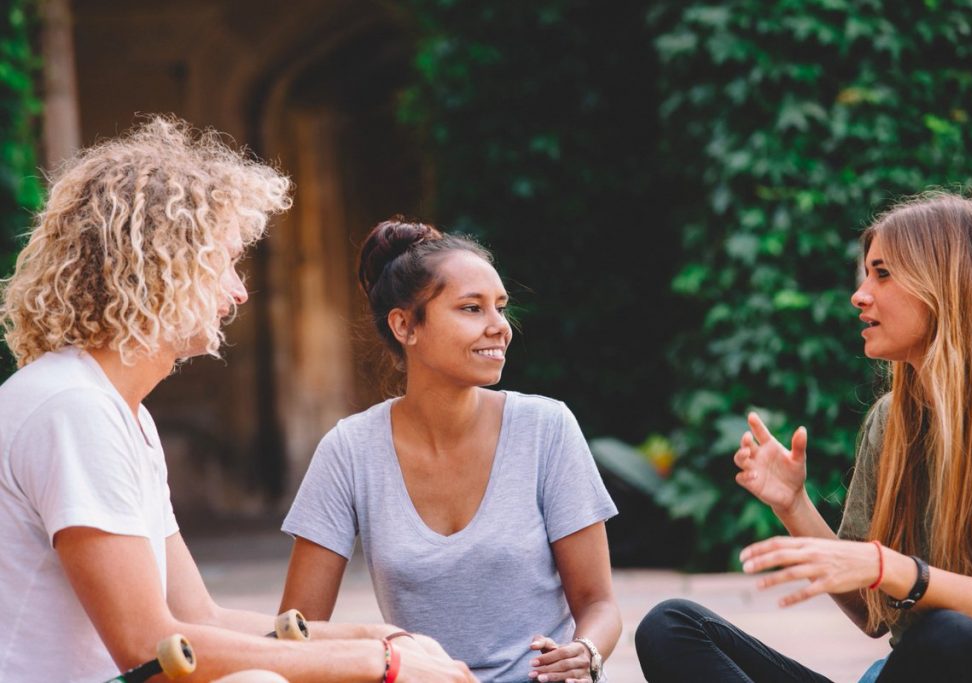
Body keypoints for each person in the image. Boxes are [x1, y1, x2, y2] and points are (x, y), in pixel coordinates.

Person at [0, 117, 475, 683]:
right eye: (224, 262)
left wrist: (375, 637)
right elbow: (149, 648)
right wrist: (376, 665)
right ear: (161, 268)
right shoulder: (72, 410)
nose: (239, 290)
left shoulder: (116, 410)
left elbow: (199, 617)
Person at [635, 193, 972, 682]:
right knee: (671, 625)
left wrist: (887, 565)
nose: (860, 295)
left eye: (882, 274)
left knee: (951, 634)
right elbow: (871, 612)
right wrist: (794, 505)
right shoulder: (892, 420)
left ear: (949, 287)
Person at [279, 219, 622, 683]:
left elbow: (599, 605)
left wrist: (585, 652)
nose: (500, 327)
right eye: (471, 308)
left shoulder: (547, 429)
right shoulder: (350, 451)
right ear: (405, 325)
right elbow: (298, 630)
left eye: (500, 308)